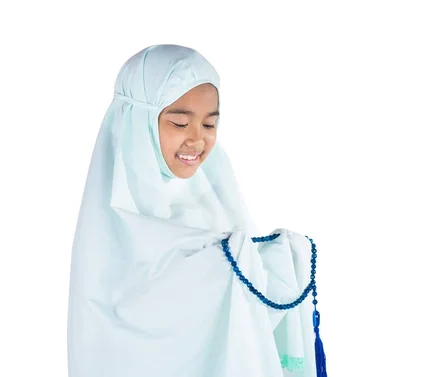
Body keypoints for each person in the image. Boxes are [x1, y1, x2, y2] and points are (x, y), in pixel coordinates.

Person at [67, 44, 326, 377]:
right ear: (137, 122)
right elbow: (125, 326)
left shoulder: (214, 201)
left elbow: (247, 312)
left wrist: (279, 258)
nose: (197, 140)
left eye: (209, 125)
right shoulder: (111, 223)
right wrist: (228, 264)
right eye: (178, 123)